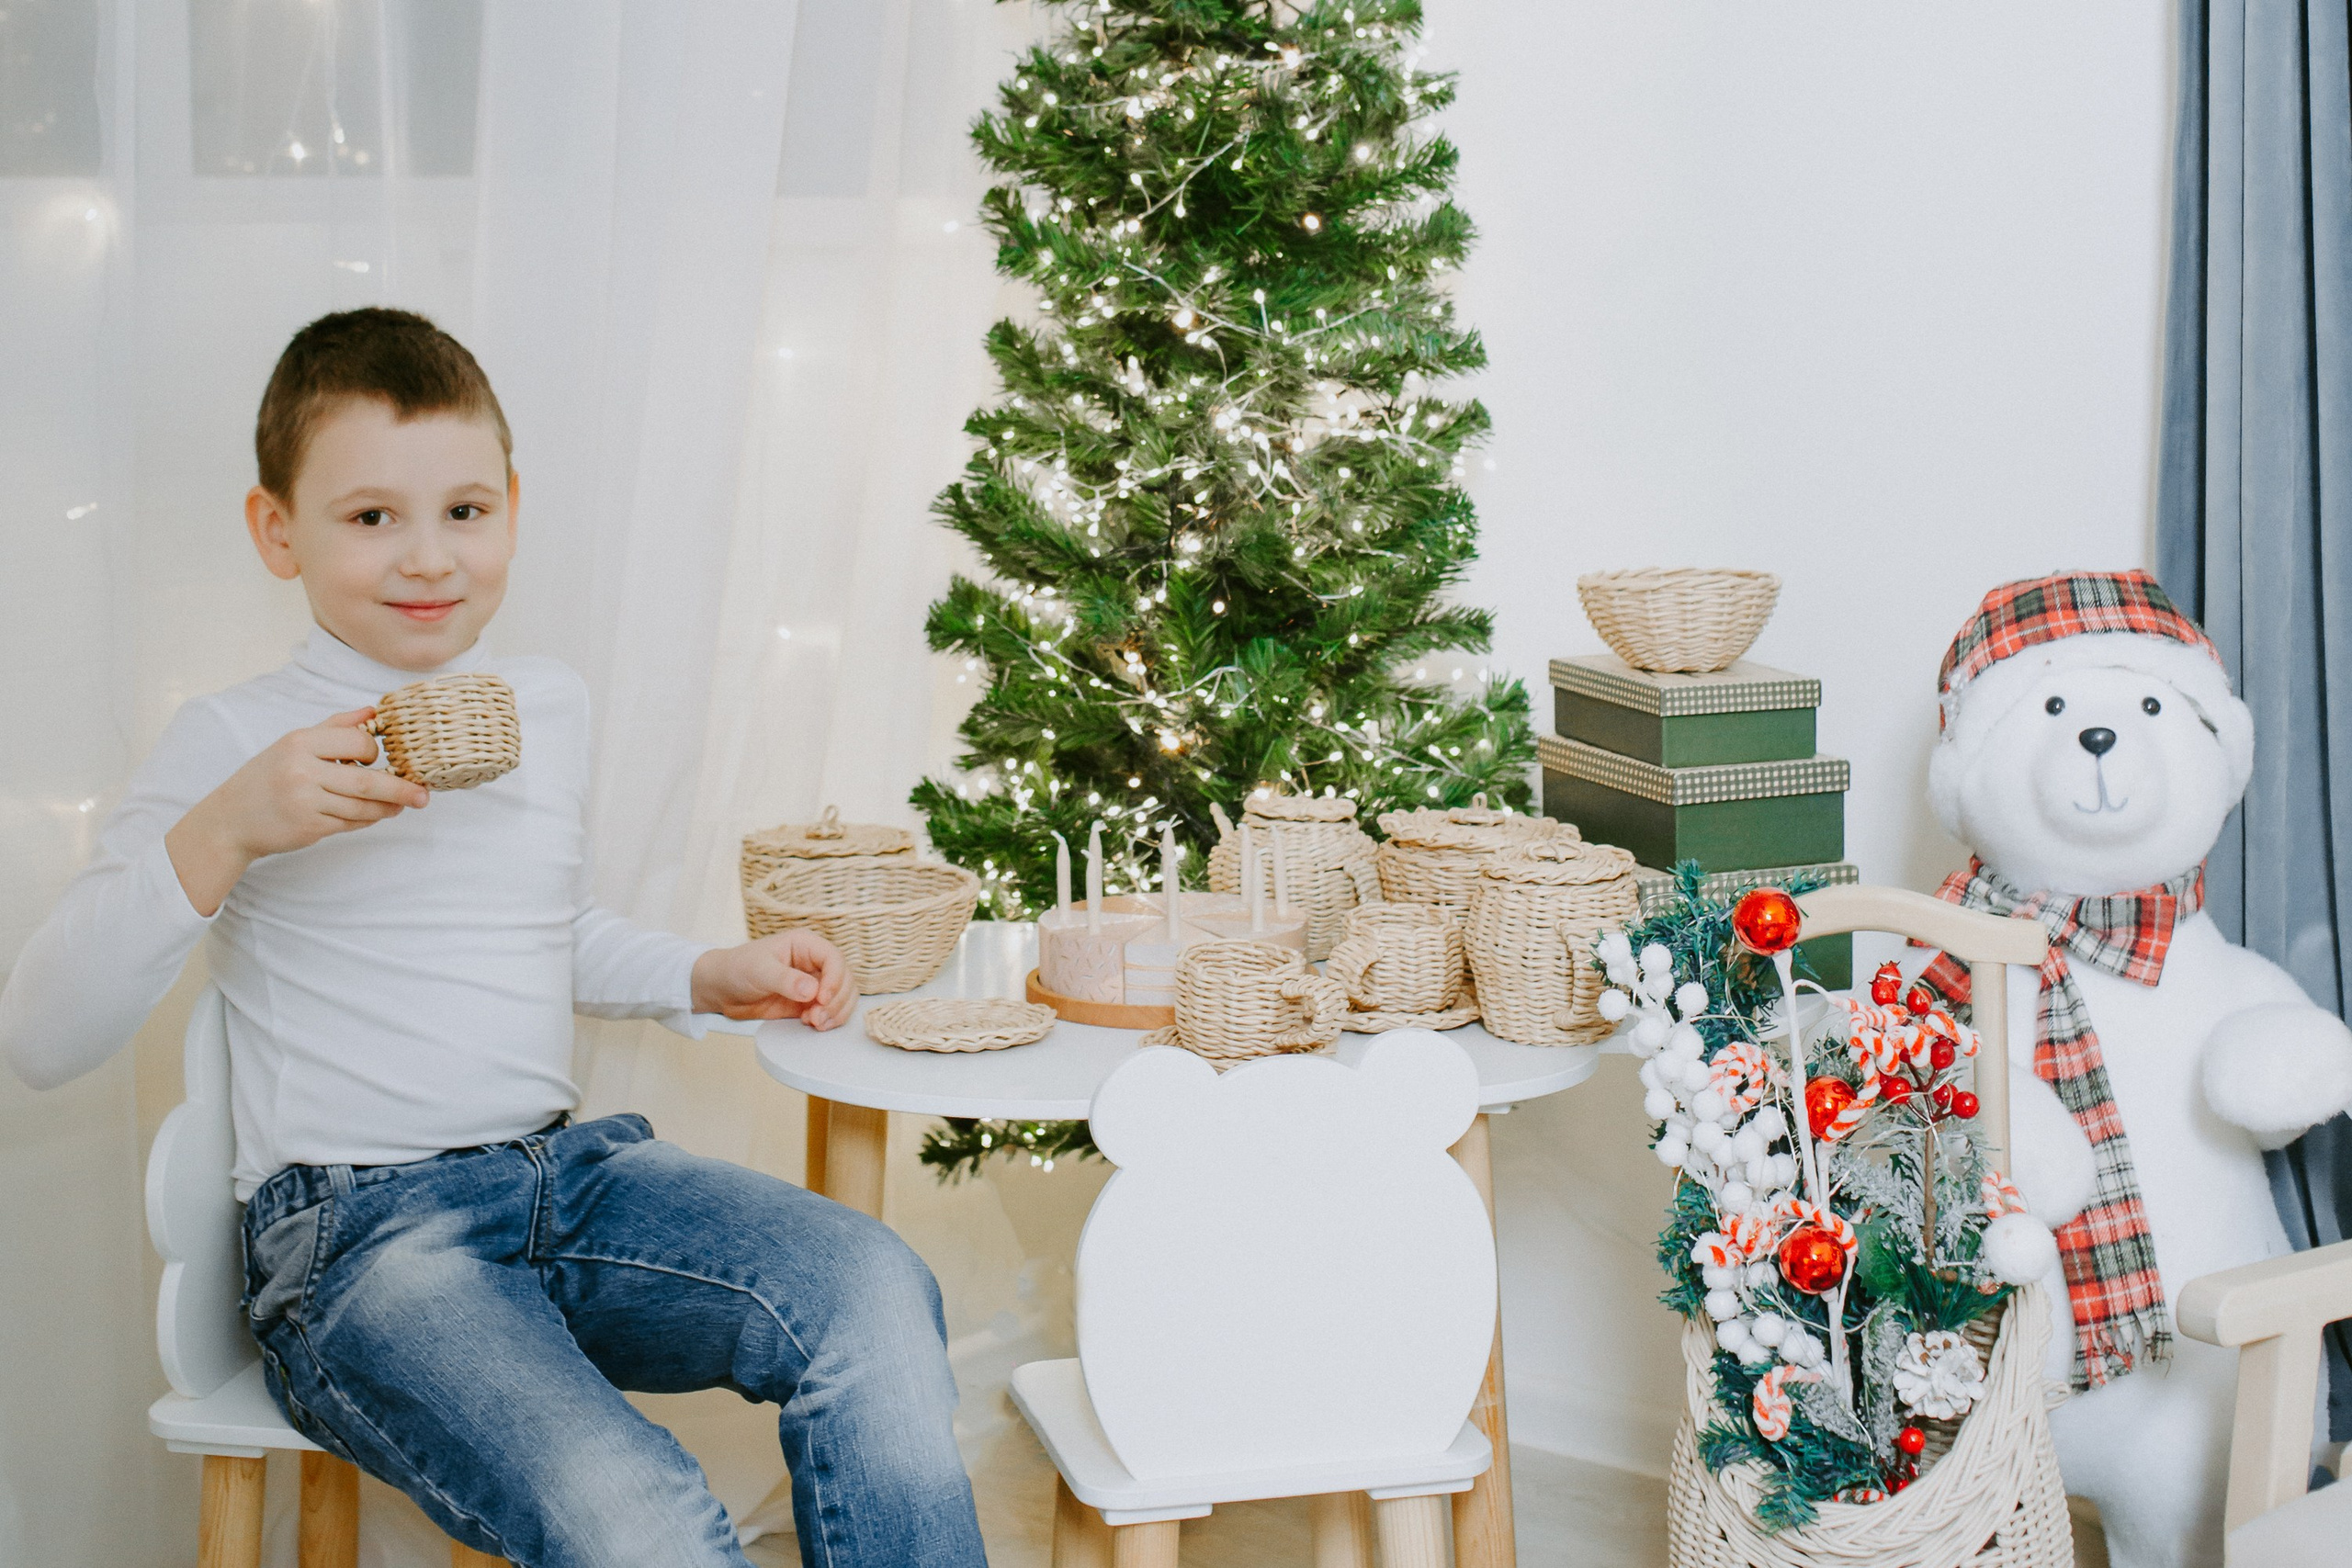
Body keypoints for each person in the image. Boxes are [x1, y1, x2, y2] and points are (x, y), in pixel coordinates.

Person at [0, 308, 988, 1568]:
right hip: (360, 1243)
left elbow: (542, 931)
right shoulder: (231, 744)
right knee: (640, 1519)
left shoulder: (546, 709)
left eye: (465, 512)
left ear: (513, 507)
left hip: (565, 1182)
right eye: (372, 518)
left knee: (871, 1287)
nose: (429, 560)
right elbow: (37, 1035)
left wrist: (702, 974)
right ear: (276, 531)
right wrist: (228, 829)